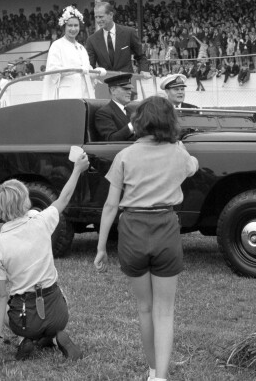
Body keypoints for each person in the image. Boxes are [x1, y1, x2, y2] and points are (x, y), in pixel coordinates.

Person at [94, 96, 199, 381]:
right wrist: (182, 149)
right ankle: (160, 377)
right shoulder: (178, 153)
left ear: (139, 122)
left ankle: (152, 368)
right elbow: (193, 166)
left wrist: (101, 247)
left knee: (144, 308)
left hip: (132, 231)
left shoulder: (125, 156)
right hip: (166, 227)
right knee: (165, 311)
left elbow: (110, 206)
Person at [0, 152, 90, 367]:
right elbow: (63, 198)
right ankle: (56, 335)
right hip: (58, 312)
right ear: (26, 200)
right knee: (57, 291)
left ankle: (25, 338)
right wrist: (77, 169)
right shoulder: (41, 221)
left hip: (25, 317)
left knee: (1, 304)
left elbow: (0, 296)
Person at [41, 6, 104, 100]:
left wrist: (95, 72)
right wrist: (77, 69)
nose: (73, 29)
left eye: (76, 25)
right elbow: (53, 70)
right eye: (70, 25)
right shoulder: (57, 45)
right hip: (67, 94)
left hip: (85, 94)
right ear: (64, 27)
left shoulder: (82, 48)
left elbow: (86, 69)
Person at [85, 2, 149, 75]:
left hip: (127, 82)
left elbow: (140, 56)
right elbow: (90, 66)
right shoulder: (91, 40)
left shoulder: (129, 33)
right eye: (96, 17)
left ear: (111, 15)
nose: (98, 20)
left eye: (101, 17)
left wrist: (144, 70)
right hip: (105, 83)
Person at [94, 73, 136, 141]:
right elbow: (111, 139)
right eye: (125, 89)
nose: (130, 92)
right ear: (113, 90)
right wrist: (133, 125)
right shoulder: (103, 113)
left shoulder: (131, 111)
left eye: (130, 89)